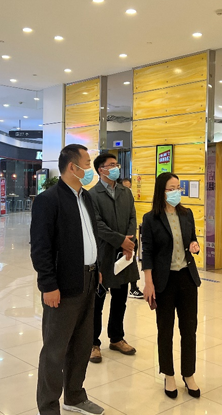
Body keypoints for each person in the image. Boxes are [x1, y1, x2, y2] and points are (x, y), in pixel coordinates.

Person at [30, 144, 104, 415]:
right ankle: (48, 407)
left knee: (82, 345)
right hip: (62, 285)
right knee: (55, 350)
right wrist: (48, 285)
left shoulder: (86, 198)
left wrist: (97, 267)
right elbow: (40, 248)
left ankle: (75, 396)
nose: (90, 168)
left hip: (88, 280)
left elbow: (91, 236)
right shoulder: (48, 200)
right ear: (73, 167)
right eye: (87, 163)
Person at [142, 172, 202, 399]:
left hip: (187, 278)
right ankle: (168, 374)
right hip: (163, 281)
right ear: (161, 191)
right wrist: (148, 283)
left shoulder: (187, 214)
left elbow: (192, 239)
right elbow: (147, 252)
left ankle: (189, 374)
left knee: (189, 329)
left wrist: (195, 245)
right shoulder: (151, 218)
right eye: (171, 188)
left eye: (178, 188)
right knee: (165, 330)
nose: (176, 192)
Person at [88, 154, 138, 364]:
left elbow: (133, 217)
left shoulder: (126, 192)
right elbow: (97, 225)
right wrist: (121, 241)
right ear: (101, 170)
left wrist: (129, 242)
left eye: (116, 164)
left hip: (124, 255)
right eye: (111, 165)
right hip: (103, 254)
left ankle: (116, 338)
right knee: (97, 302)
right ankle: (93, 343)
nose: (116, 167)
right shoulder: (92, 195)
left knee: (120, 299)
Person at [118, 178, 144, 300]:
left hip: (131, 239)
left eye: (130, 187)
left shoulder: (129, 200)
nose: (128, 190)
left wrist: (130, 238)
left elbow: (133, 219)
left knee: (132, 263)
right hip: (119, 240)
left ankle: (133, 288)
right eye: (126, 187)